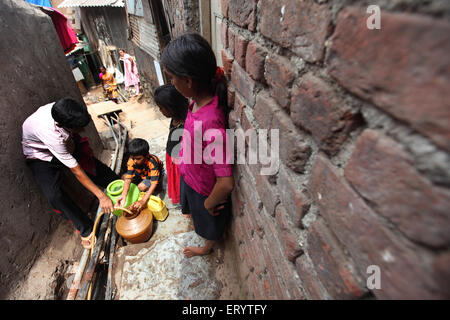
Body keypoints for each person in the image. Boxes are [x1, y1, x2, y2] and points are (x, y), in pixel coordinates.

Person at [161, 33, 234, 258]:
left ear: (188, 81)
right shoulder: (196, 101)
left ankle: (206, 248)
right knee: (196, 214)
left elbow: (226, 182)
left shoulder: (211, 120)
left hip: (205, 190)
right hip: (191, 177)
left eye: (172, 78)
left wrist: (210, 204)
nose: (172, 83)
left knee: (207, 224)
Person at [22, 98, 119, 249]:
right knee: (54, 195)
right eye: (79, 128)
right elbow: (76, 171)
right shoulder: (51, 133)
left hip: (65, 139)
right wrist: (101, 196)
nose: (83, 131)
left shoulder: (64, 109)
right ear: (64, 126)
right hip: (40, 154)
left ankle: (118, 184)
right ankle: (86, 229)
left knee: (90, 163)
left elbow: (78, 158)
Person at [154, 84, 188, 205]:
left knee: (181, 182)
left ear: (171, 107)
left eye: (161, 108)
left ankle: (184, 202)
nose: (160, 111)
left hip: (179, 161)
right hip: (172, 157)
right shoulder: (175, 118)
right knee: (175, 180)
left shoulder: (186, 125)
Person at [117, 138, 164, 212]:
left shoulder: (152, 162)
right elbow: (128, 178)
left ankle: (158, 188)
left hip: (152, 175)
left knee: (141, 187)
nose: (135, 161)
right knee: (124, 177)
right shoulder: (132, 160)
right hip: (141, 172)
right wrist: (124, 194)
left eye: (138, 158)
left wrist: (143, 200)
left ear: (146, 155)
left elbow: (153, 183)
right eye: (133, 158)